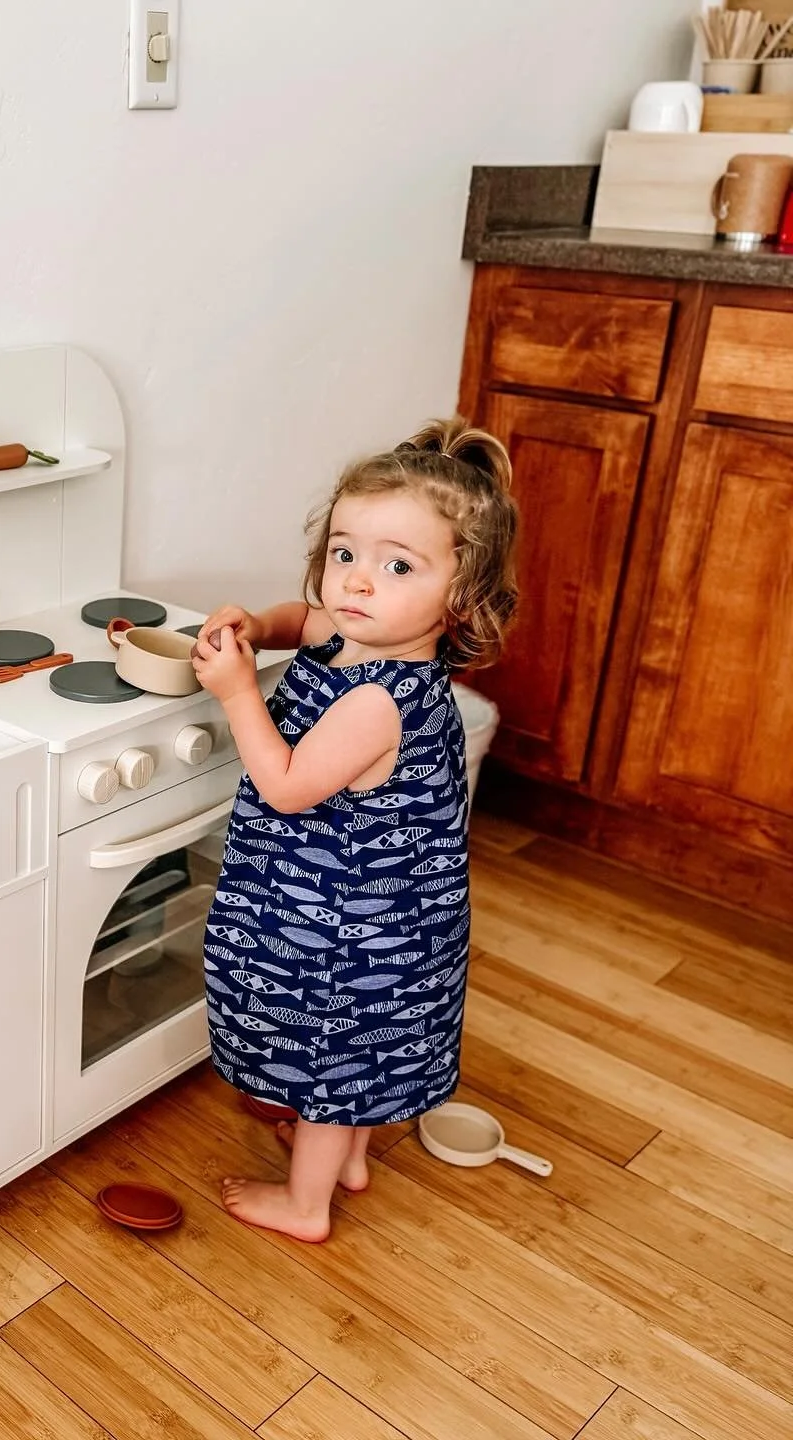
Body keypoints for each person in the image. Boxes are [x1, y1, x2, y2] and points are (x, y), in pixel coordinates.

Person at [191, 417, 518, 1242]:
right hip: (385, 915)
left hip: (350, 932)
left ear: (461, 594)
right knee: (362, 1058)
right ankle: (348, 1157)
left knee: (332, 1058)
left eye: (397, 564)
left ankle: (306, 1204)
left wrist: (238, 693)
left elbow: (291, 785)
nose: (356, 582)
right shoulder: (354, 636)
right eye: (345, 552)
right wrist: (257, 628)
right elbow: (300, 621)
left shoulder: (381, 698)